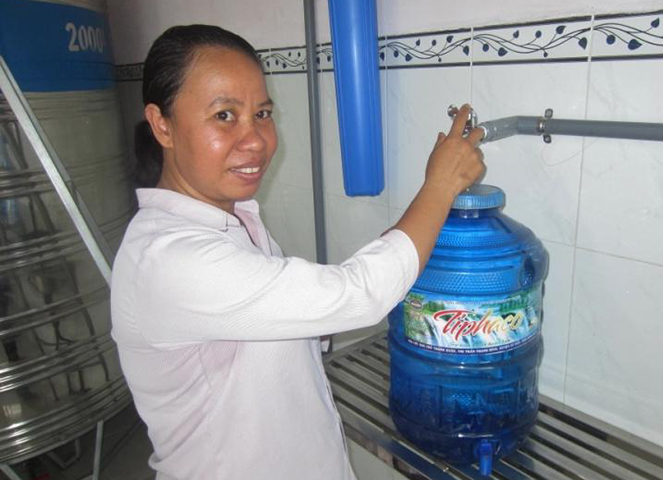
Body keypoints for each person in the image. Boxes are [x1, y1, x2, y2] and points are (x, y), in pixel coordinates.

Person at [110, 24, 484, 480]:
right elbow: (356, 295)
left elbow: (302, 307)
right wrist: (440, 186)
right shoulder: (168, 261)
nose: (256, 140)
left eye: (262, 114)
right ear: (161, 124)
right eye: (224, 115)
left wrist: (412, 232)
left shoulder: (233, 221)